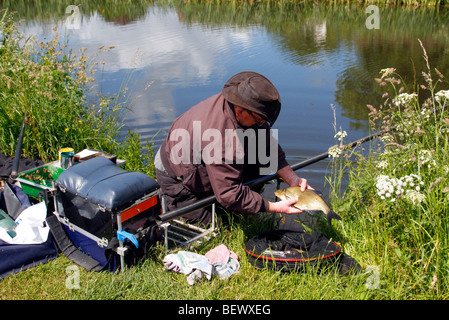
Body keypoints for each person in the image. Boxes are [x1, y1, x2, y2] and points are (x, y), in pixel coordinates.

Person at [155, 71, 310, 226]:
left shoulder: (241, 103)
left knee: (261, 161)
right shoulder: (222, 140)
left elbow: (267, 146)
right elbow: (228, 193)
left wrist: (292, 178)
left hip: (206, 158)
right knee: (217, 230)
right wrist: (274, 207)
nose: (261, 124)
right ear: (240, 111)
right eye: (259, 120)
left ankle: (236, 201)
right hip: (178, 177)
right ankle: (175, 200)